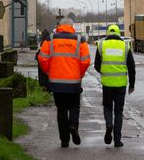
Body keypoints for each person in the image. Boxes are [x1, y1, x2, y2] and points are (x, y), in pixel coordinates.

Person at [38, 18, 91, 148]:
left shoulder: (50, 39)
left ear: (59, 26)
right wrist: (80, 74)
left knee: (61, 110)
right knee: (74, 106)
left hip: (56, 82)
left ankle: (64, 140)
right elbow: (86, 61)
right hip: (74, 82)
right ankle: (73, 125)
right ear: (72, 27)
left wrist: (49, 73)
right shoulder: (80, 40)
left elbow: (42, 58)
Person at [94, 24, 136, 147]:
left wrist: (105, 73)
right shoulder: (125, 46)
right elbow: (131, 68)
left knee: (107, 107)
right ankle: (117, 140)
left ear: (107, 33)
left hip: (107, 84)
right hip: (121, 84)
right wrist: (132, 85)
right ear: (119, 33)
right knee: (118, 111)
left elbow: (96, 65)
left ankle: (108, 124)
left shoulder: (101, 45)